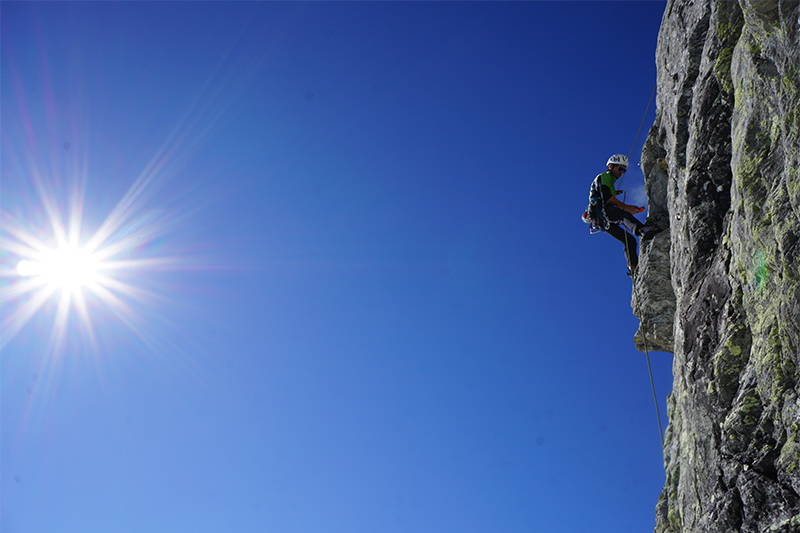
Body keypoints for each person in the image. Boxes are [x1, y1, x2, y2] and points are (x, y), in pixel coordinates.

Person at [584, 154, 660, 275]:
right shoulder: (605, 176)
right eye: (620, 169)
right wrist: (628, 208)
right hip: (604, 212)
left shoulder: (608, 180)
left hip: (601, 221)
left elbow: (605, 193)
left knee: (629, 241)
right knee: (621, 214)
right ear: (610, 166)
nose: (622, 173)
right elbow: (608, 198)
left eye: (624, 170)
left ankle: (633, 267)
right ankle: (642, 230)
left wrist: (615, 192)